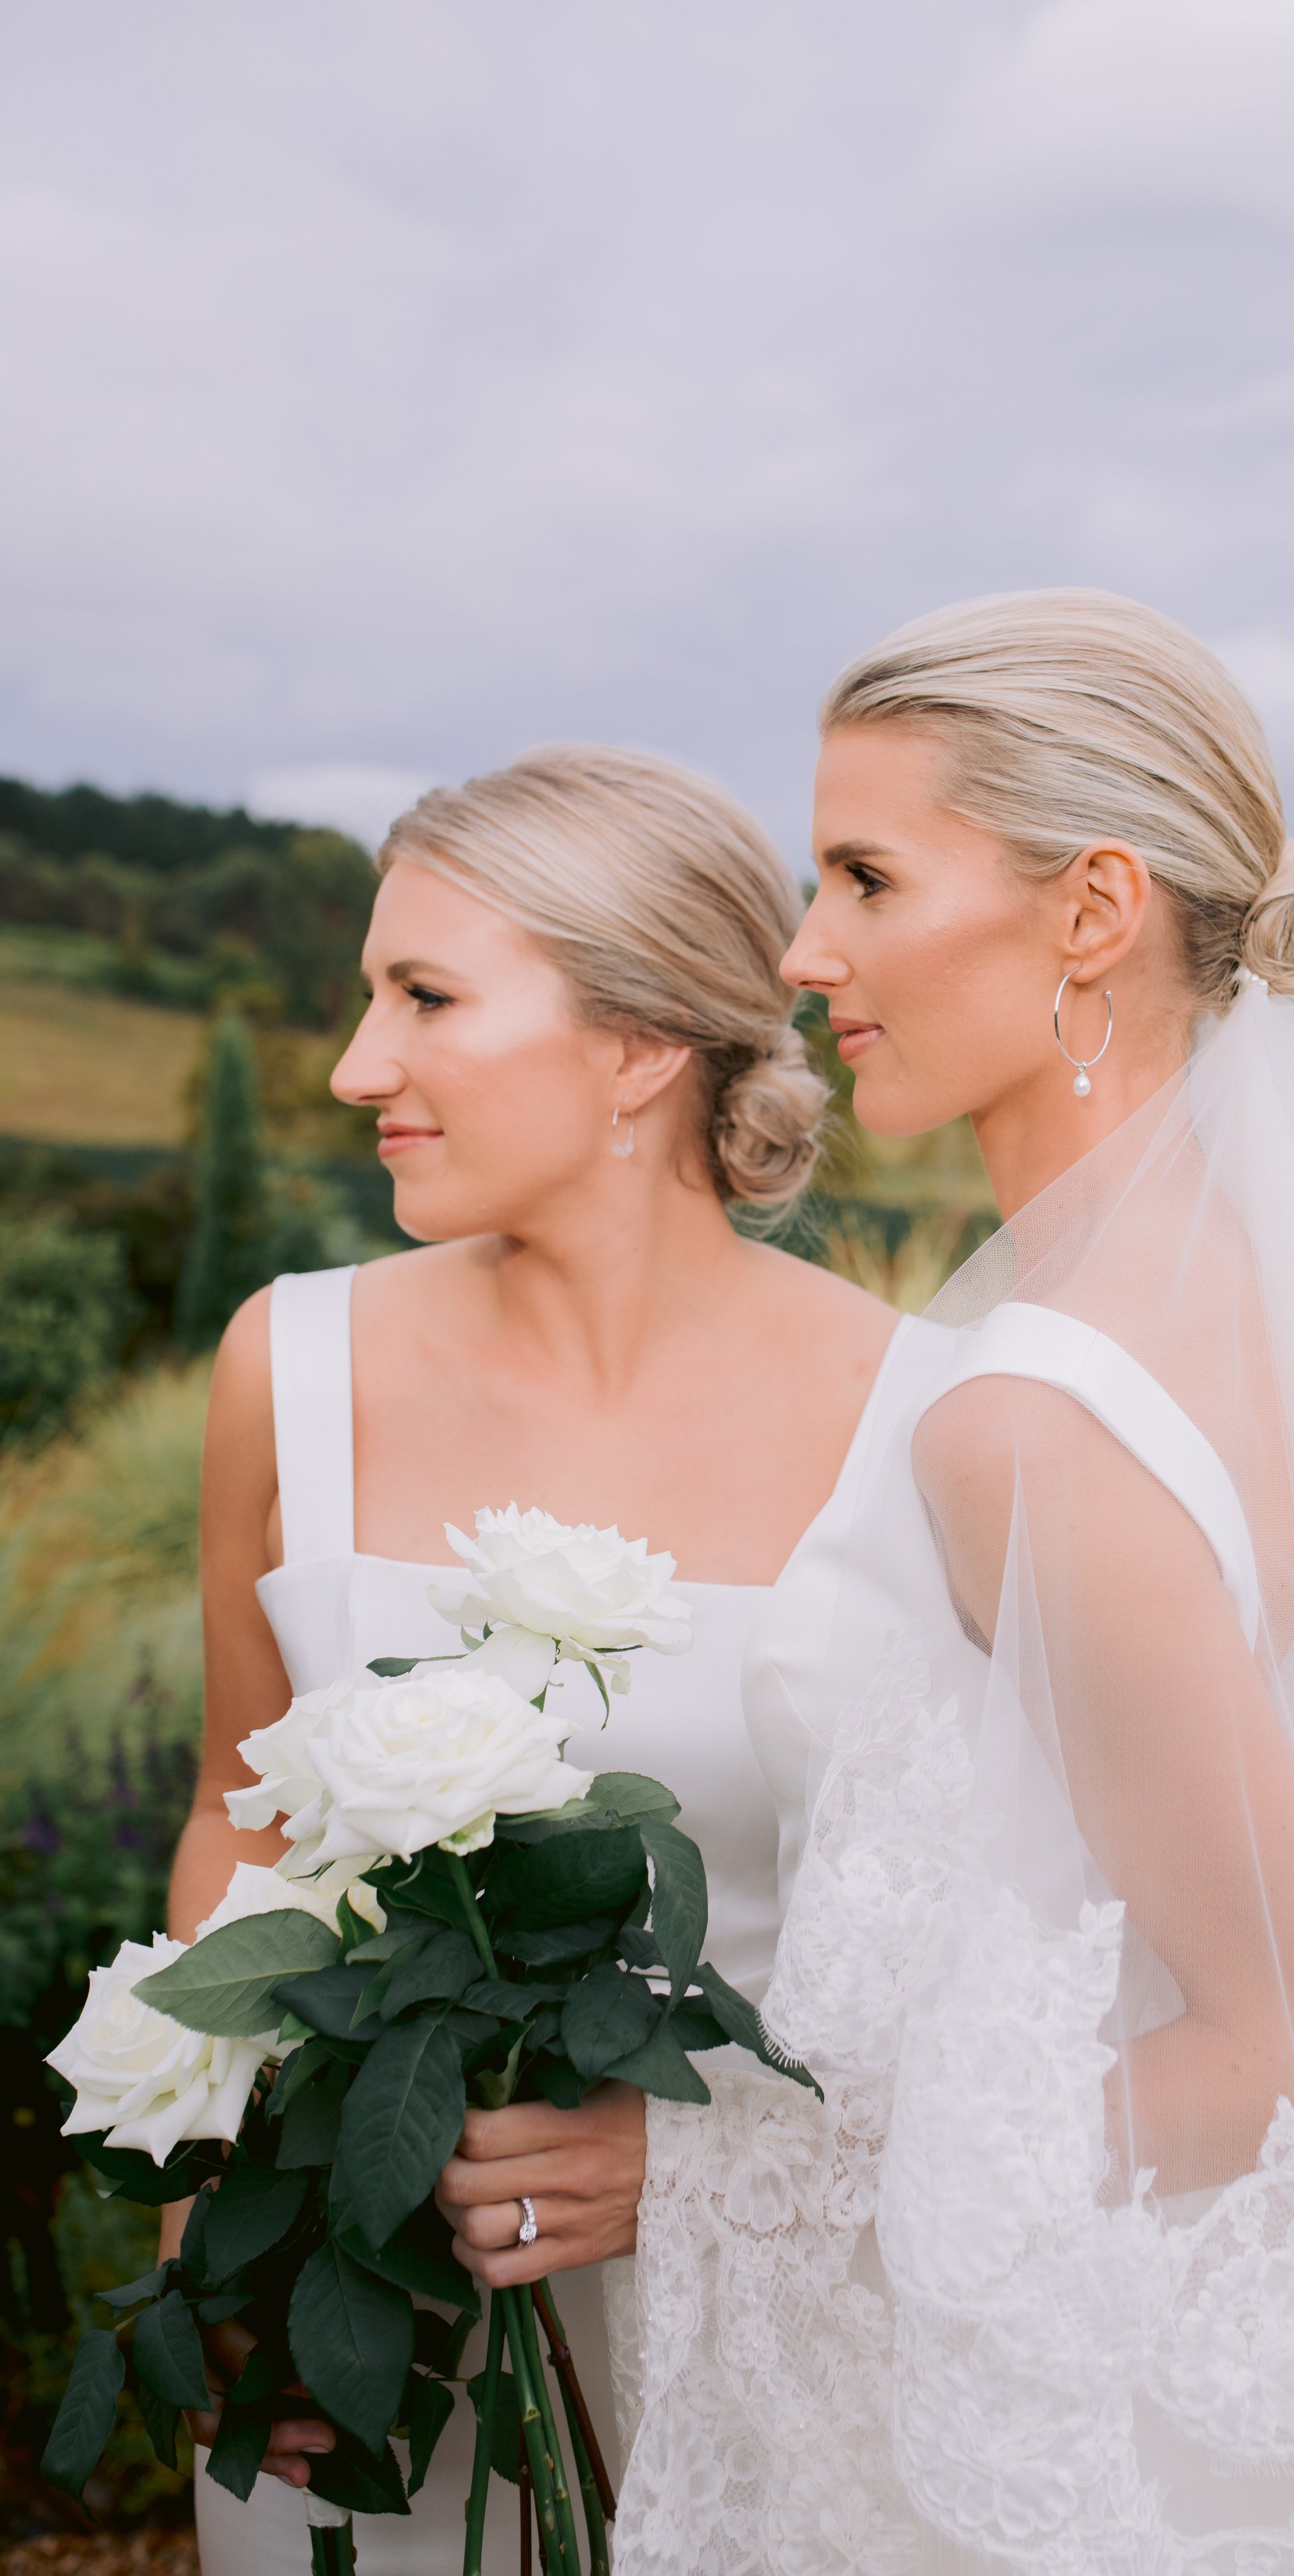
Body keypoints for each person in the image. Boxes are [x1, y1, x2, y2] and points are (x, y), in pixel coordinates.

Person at [606, 592, 1294, 2575]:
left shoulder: (1038, 1419)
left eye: (863, 875)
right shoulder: (1253, 1293)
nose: (801, 953)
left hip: (1089, 2434)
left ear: (1091, 912)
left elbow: (1288, 2039)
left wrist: (712, 2180)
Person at [166, 744, 899, 2574]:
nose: (355, 1069)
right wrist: (216, 2244)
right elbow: (229, 1822)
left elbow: (1027, 1977)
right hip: (369, 2349)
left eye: (423, 996)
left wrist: (709, 2177)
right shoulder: (291, 1363)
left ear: (644, 1042)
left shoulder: (931, 1426)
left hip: (773, 2363)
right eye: (366, 998)